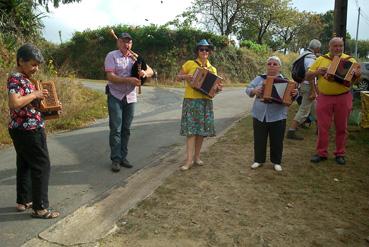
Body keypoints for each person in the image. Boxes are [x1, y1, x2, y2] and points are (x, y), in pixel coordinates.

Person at [7, 43, 60, 219]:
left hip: (22, 128)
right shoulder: (16, 79)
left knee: (25, 164)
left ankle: (23, 201)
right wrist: (35, 95)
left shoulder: (23, 78)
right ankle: (41, 208)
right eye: (33, 64)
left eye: (38, 65)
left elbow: (28, 104)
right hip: (28, 129)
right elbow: (14, 103)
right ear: (21, 61)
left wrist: (50, 106)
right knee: (42, 165)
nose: (36, 68)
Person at [306, 37, 361, 165]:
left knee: (342, 127)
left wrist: (357, 75)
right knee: (322, 126)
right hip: (324, 97)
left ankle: (340, 153)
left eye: (340, 46)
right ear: (329, 47)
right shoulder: (321, 59)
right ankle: (321, 153)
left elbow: (357, 81)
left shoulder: (350, 60)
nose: (338, 48)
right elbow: (307, 76)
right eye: (335, 46)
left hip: (343, 96)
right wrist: (318, 72)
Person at [105, 32, 153, 172]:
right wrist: (128, 80)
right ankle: (115, 159)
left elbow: (150, 70)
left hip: (130, 96)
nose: (127, 44)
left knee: (126, 129)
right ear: (118, 42)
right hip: (115, 95)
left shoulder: (135, 57)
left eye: (129, 42)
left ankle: (123, 157)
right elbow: (110, 76)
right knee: (116, 128)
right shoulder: (111, 56)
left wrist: (144, 73)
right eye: (124, 41)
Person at [245, 56, 298, 172]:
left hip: (278, 115)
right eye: (270, 64)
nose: (272, 66)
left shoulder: (286, 81)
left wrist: (295, 93)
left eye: (275, 64)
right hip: (259, 114)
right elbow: (248, 89)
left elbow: (294, 96)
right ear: (266, 66)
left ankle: (276, 162)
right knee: (259, 139)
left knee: (277, 140)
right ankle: (258, 160)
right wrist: (254, 91)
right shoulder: (259, 78)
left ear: (279, 67)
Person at [177, 39, 222, 171]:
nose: (204, 52)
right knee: (191, 132)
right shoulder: (190, 63)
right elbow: (178, 77)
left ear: (209, 52)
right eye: (201, 49)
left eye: (207, 50)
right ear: (197, 51)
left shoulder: (212, 69)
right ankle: (189, 160)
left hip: (205, 102)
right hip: (191, 101)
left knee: (201, 132)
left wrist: (218, 89)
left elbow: (214, 90)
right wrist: (187, 77)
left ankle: (196, 157)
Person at [287, 39, 321, 140]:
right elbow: (309, 75)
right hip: (308, 86)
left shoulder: (303, 55)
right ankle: (291, 131)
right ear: (316, 48)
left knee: (316, 108)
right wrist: (313, 90)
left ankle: (320, 129)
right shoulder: (311, 58)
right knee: (304, 110)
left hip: (303, 84)